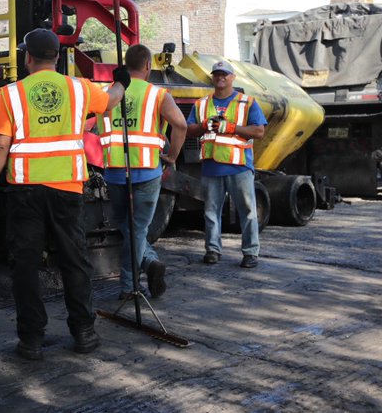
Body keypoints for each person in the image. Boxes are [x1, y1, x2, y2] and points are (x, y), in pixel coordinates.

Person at [0, 28, 127, 360]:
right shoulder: (78, 88)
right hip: (67, 188)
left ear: (27, 57)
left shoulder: (12, 94)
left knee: (26, 265)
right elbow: (111, 101)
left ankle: (31, 340)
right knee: (74, 261)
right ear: (57, 58)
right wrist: (121, 81)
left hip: (26, 191)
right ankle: (84, 332)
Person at [98, 43, 187, 301]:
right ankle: (130, 286)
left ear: (126, 65)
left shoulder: (107, 93)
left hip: (115, 171)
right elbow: (180, 124)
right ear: (148, 66)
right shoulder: (157, 95)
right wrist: (172, 156)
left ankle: (148, 262)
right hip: (147, 172)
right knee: (137, 229)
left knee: (126, 225)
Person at [186, 59, 268, 268]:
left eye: (224, 74)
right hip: (212, 167)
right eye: (216, 74)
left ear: (233, 78)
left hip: (239, 166)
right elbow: (189, 129)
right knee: (211, 212)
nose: (220, 77)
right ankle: (212, 250)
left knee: (247, 211)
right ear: (212, 78)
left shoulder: (246, 102)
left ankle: (251, 253)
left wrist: (232, 127)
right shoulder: (202, 104)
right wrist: (205, 125)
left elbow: (259, 131)